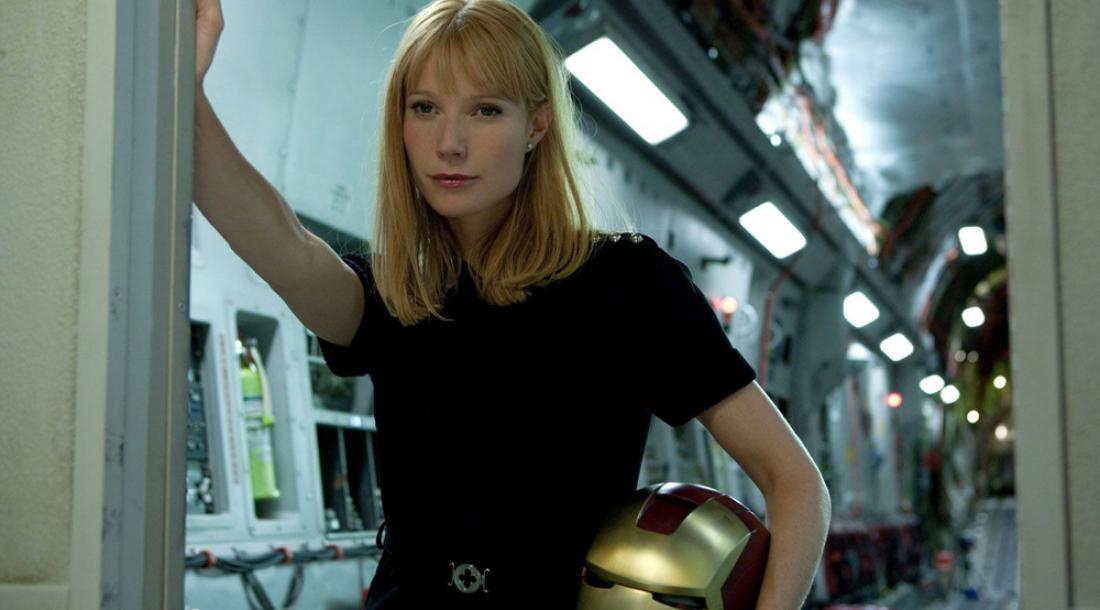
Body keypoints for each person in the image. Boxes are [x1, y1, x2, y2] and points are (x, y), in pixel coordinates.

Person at [193, 1, 831, 609]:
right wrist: (185, 92)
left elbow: (796, 484)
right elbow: (283, 246)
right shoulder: (399, 294)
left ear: (537, 125)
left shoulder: (628, 284)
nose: (450, 142)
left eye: (485, 111)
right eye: (425, 108)